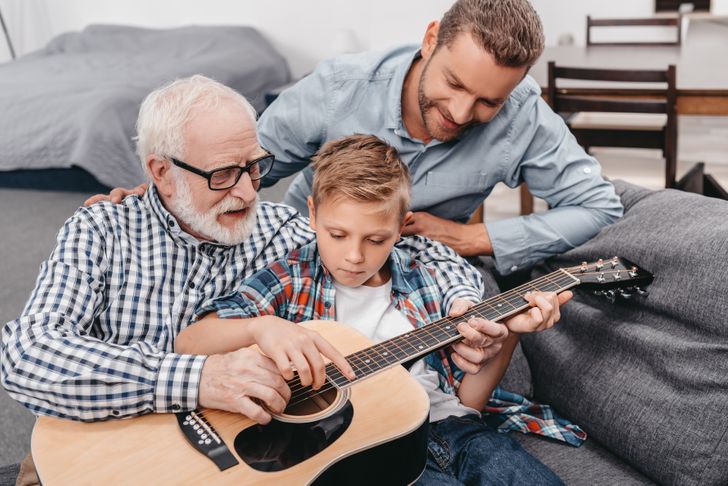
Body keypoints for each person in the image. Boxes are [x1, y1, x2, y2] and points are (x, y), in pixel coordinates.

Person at [0, 76, 524, 483]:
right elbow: (25, 354)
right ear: (161, 172)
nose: (249, 193)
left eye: (255, 167)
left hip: (233, 461)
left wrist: (461, 298)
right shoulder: (102, 228)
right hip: (103, 458)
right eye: (224, 174)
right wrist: (199, 378)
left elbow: (413, 253)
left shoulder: (280, 229)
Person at [89, 0, 623, 277]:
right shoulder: (339, 87)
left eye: (489, 102)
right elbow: (247, 168)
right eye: (454, 84)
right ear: (431, 39)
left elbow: (598, 206)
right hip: (304, 254)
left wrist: (470, 240)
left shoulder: (525, 113)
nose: (462, 112)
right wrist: (161, 199)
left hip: (419, 268)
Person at [176, 134, 569, 484]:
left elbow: (469, 403)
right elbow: (190, 341)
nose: (354, 256)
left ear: (401, 228)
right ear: (312, 214)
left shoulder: (428, 275)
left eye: (376, 239)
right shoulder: (290, 277)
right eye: (337, 234)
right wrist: (260, 328)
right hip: (374, 446)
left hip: (462, 431)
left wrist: (512, 330)